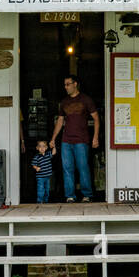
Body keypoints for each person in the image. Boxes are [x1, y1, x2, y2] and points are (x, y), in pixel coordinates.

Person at [50, 75, 99, 203]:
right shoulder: (64, 102)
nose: (66, 87)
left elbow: (96, 118)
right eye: (65, 85)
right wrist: (53, 138)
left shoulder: (86, 99)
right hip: (66, 141)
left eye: (68, 84)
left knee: (83, 167)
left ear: (75, 84)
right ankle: (70, 196)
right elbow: (60, 121)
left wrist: (95, 137)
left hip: (82, 140)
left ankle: (87, 195)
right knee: (67, 168)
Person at [31, 140, 54, 204]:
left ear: (46, 148)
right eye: (40, 146)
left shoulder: (48, 154)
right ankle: (40, 200)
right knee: (40, 189)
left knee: (47, 189)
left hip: (47, 176)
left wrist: (53, 147)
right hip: (40, 177)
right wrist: (36, 168)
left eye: (43, 146)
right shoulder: (37, 157)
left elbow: (53, 153)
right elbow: (33, 164)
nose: (42, 148)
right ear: (37, 148)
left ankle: (45, 200)